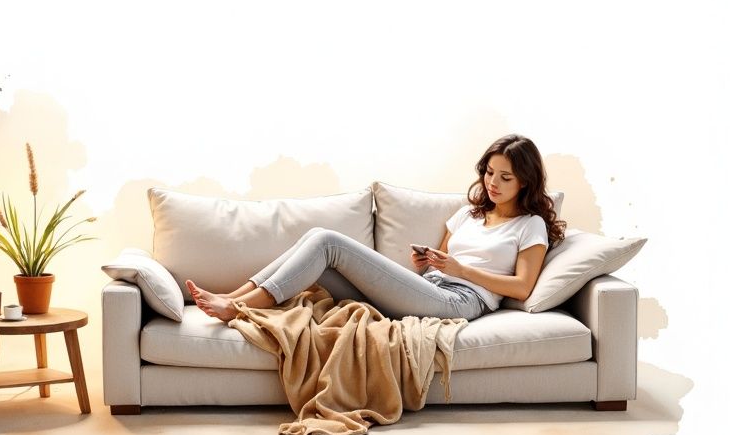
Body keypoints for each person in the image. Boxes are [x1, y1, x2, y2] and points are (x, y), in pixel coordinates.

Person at [186, 134, 567, 323]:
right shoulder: (468, 213)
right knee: (314, 245)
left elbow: (523, 286)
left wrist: (460, 270)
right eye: (488, 172)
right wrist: (428, 262)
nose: (492, 183)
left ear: (525, 183)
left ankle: (236, 308)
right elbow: (438, 264)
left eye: (505, 177)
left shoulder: (529, 225)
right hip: (430, 288)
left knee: (326, 240)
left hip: (461, 302)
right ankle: (234, 295)